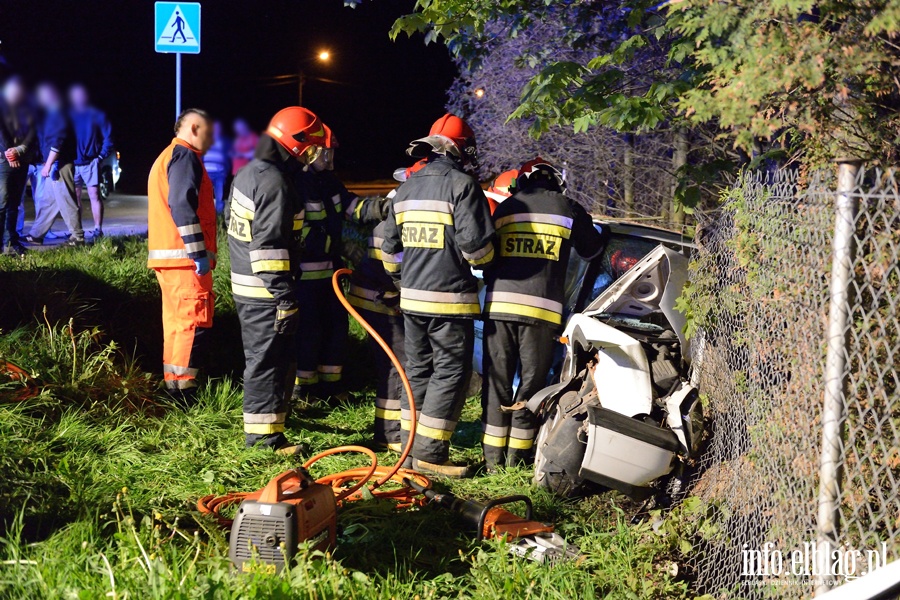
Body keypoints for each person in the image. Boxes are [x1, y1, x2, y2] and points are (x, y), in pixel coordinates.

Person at [381, 113, 495, 478]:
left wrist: (402, 280)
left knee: (416, 371)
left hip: (411, 301)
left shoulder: (407, 187)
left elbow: (388, 247)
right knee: (449, 373)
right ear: (461, 150)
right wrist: (488, 265)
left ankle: (407, 446)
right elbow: (476, 247)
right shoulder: (462, 185)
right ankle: (430, 454)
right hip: (450, 301)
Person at [481, 157, 609, 469]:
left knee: (497, 381)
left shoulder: (508, 207)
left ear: (523, 182)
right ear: (555, 182)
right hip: (541, 313)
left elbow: (487, 255)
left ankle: (492, 461)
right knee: (531, 384)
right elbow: (591, 250)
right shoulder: (569, 208)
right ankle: (518, 459)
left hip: (498, 309)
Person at [228, 106, 325, 454]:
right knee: (268, 362)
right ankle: (263, 439)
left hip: (248, 285)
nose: (312, 156)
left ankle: (272, 423)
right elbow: (267, 246)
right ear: (297, 143)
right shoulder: (275, 182)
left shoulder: (251, 172)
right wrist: (285, 298)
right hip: (266, 292)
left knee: (268, 359)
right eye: (311, 147)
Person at [292, 125, 388, 400]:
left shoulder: (329, 181)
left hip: (330, 275)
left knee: (335, 328)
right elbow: (300, 234)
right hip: (305, 279)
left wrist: (383, 207)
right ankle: (303, 391)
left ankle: (331, 388)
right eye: (327, 151)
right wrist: (339, 246)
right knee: (307, 333)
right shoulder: (298, 182)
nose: (331, 157)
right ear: (313, 150)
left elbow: (353, 207)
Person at [347, 159, 428, 451]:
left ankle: (390, 431)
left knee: (394, 365)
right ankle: (390, 435)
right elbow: (393, 262)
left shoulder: (399, 201)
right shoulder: (401, 208)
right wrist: (398, 292)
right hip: (382, 297)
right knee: (397, 366)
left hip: (378, 294)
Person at [147, 109, 217, 398]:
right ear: (195, 127)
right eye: (210, 132)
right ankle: (185, 392)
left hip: (170, 259)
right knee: (192, 322)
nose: (213, 139)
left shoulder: (168, 156)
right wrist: (198, 252)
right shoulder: (185, 156)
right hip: (186, 259)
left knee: (177, 325)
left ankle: (173, 386)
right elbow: (182, 204)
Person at [23, 82, 84, 246]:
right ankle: (36, 235)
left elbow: (58, 142)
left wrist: (48, 165)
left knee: (66, 200)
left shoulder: (58, 114)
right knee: (48, 201)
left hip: (60, 165)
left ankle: (77, 237)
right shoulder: (49, 114)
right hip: (54, 164)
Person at [69, 83, 113, 239]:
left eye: (81, 94)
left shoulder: (96, 115)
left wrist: (100, 157)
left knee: (94, 195)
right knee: (75, 197)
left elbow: (108, 138)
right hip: (73, 163)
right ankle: (77, 230)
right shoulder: (69, 115)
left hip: (91, 162)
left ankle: (97, 229)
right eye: (75, 95)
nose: (78, 98)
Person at [0, 75, 36, 256]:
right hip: (4, 161)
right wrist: (9, 153)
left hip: (22, 159)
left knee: (14, 203)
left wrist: (19, 150)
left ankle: (11, 242)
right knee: (2, 202)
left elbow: (32, 132)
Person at [203, 120, 231, 214]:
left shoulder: (225, 141)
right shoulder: (205, 140)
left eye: (218, 127)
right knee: (205, 197)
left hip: (220, 173)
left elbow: (229, 156)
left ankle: (219, 219)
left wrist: (226, 172)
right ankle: (207, 216)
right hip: (207, 173)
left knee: (219, 197)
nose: (216, 129)